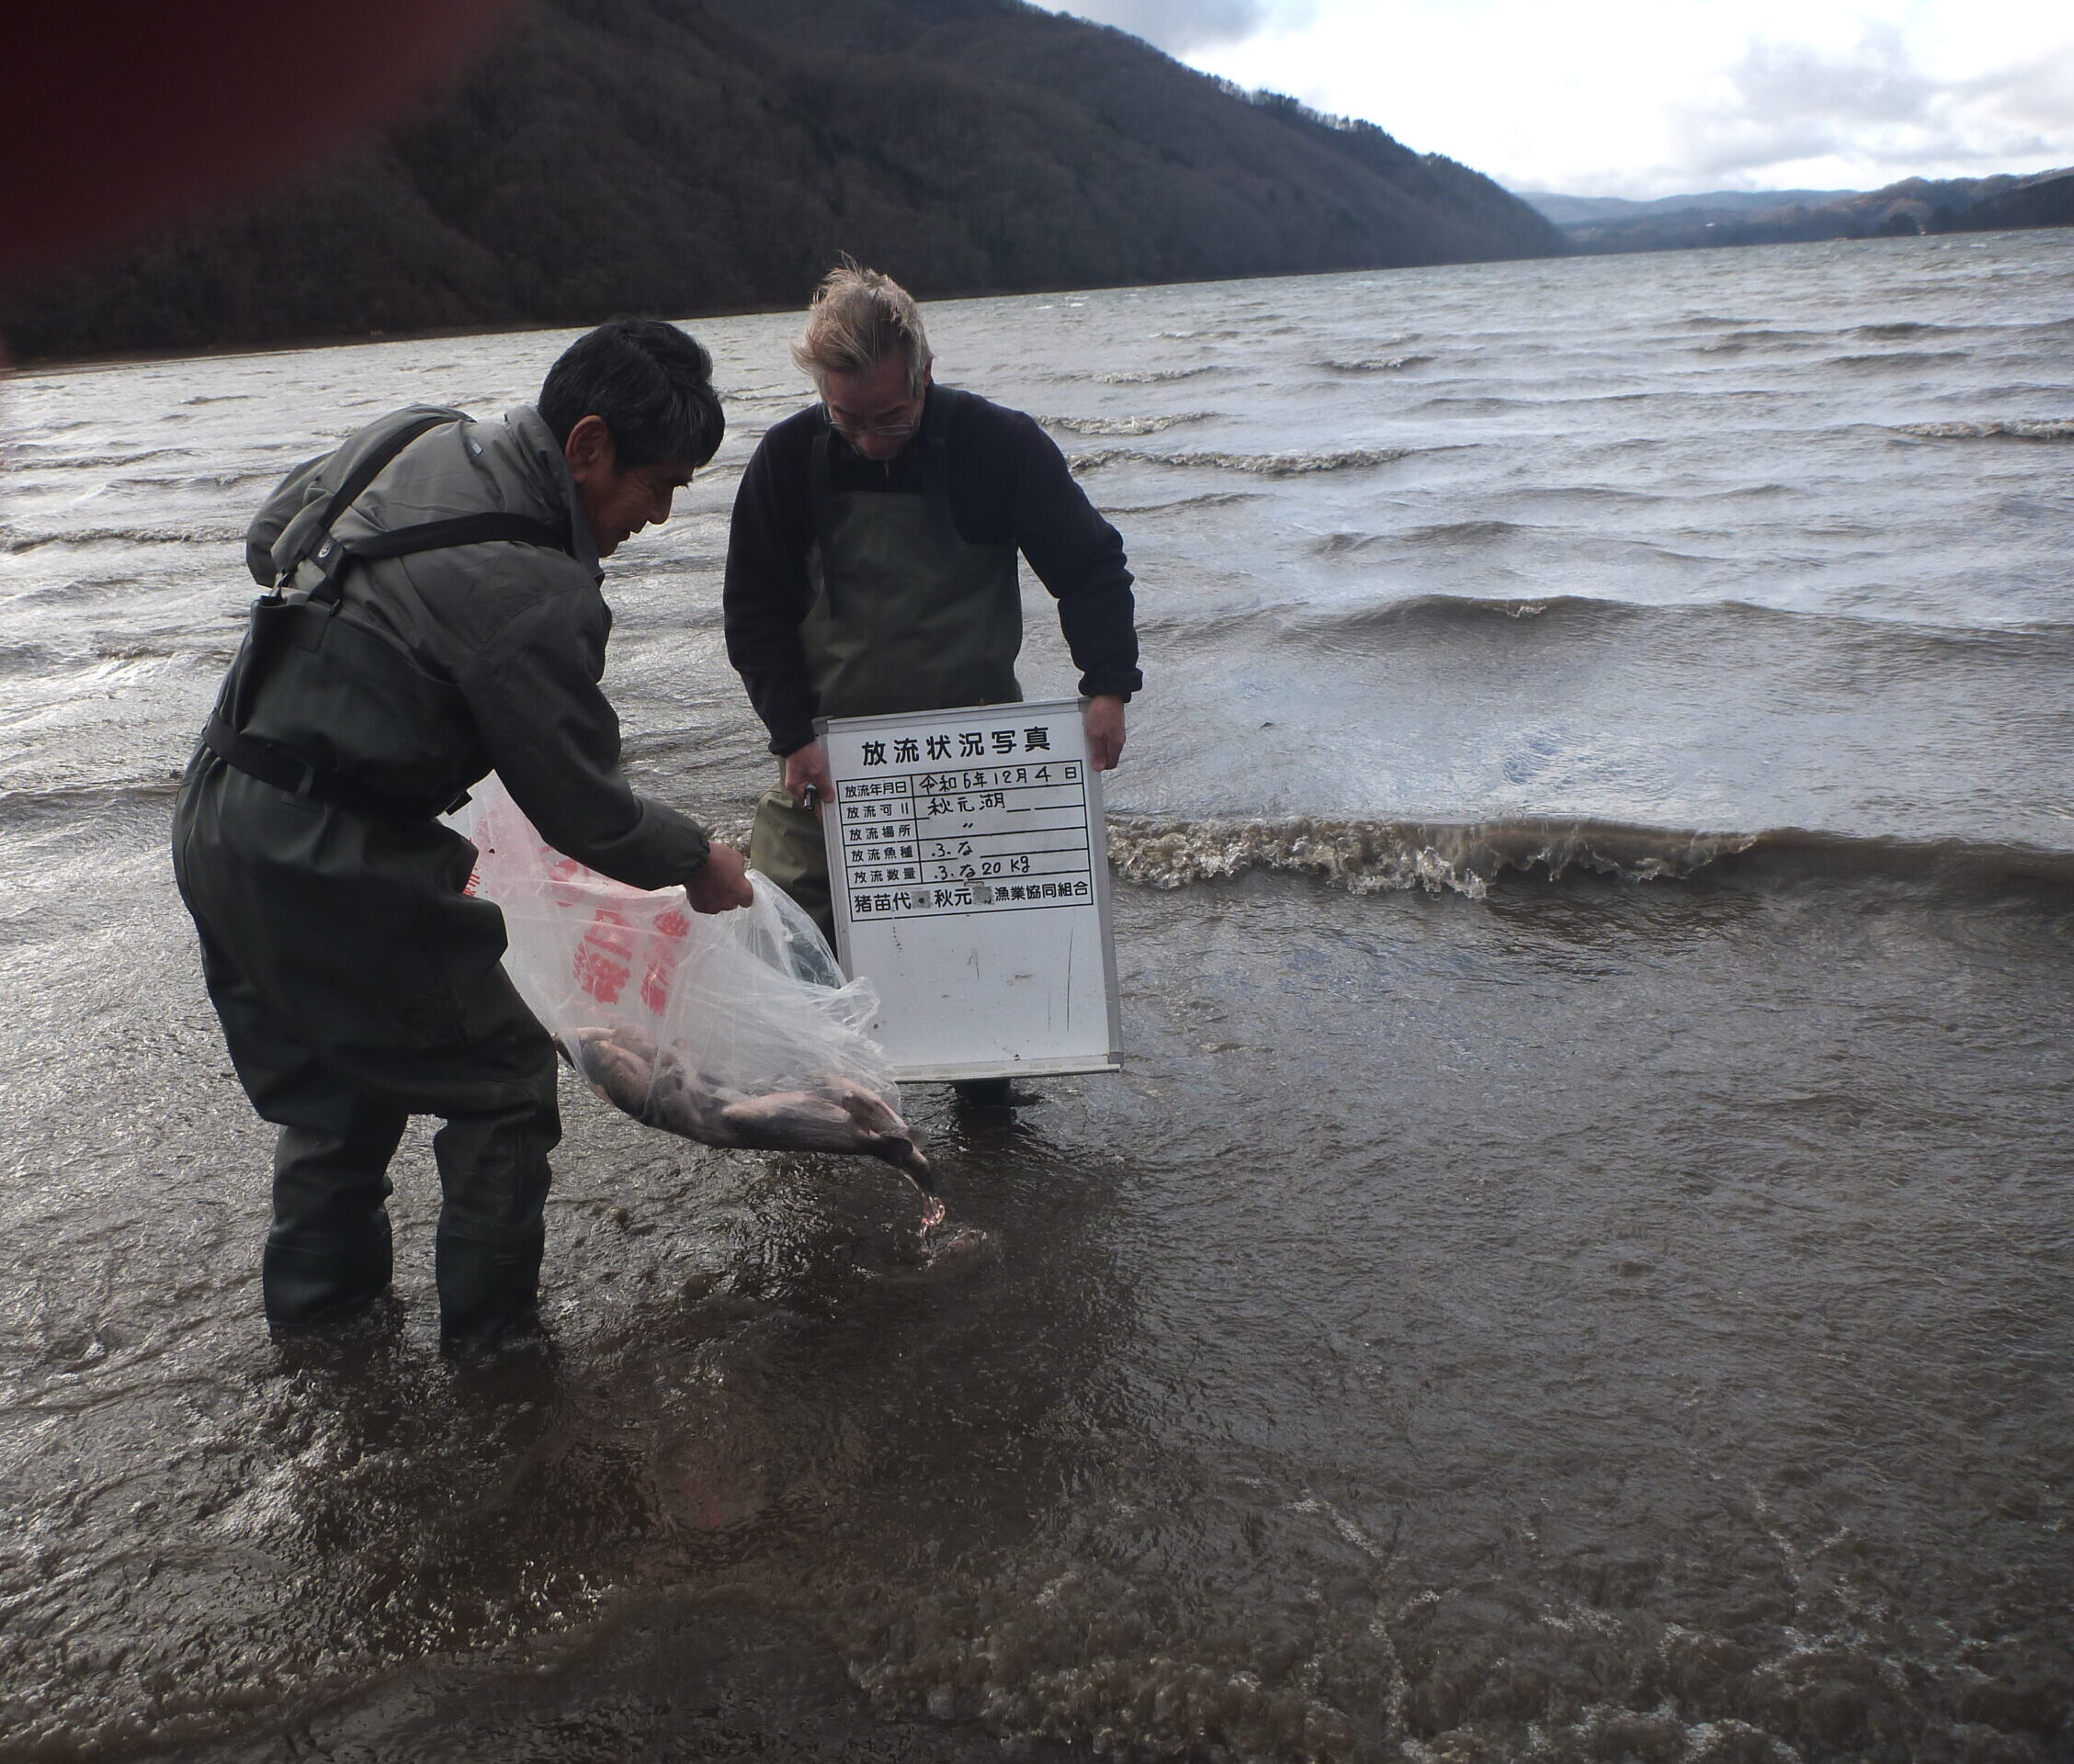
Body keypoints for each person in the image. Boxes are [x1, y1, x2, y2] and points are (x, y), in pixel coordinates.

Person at [173, 318, 753, 1347]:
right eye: (656, 483)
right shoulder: (538, 590)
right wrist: (698, 859)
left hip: (221, 810)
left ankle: (326, 1341)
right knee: (501, 1084)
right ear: (585, 447)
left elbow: (271, 542)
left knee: (334, 1095)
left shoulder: (410, 435)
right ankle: (497, 1355)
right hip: (331, 851)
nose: (657, 515)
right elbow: (582, 807)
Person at [723, 265, 1142, 1102]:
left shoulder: (998, 444)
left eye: (892, 418)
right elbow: (754, 612)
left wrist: (1107, 685)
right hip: (838, 752)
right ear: (820, 394)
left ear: (924, 372)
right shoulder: (787, 460)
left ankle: (988, 1108)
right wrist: (791, 734)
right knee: (773, 915)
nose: (873, 440)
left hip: (973, 741)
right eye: (848, 421)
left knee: (978, 930)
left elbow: (1089, 564)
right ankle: (828, 1094)